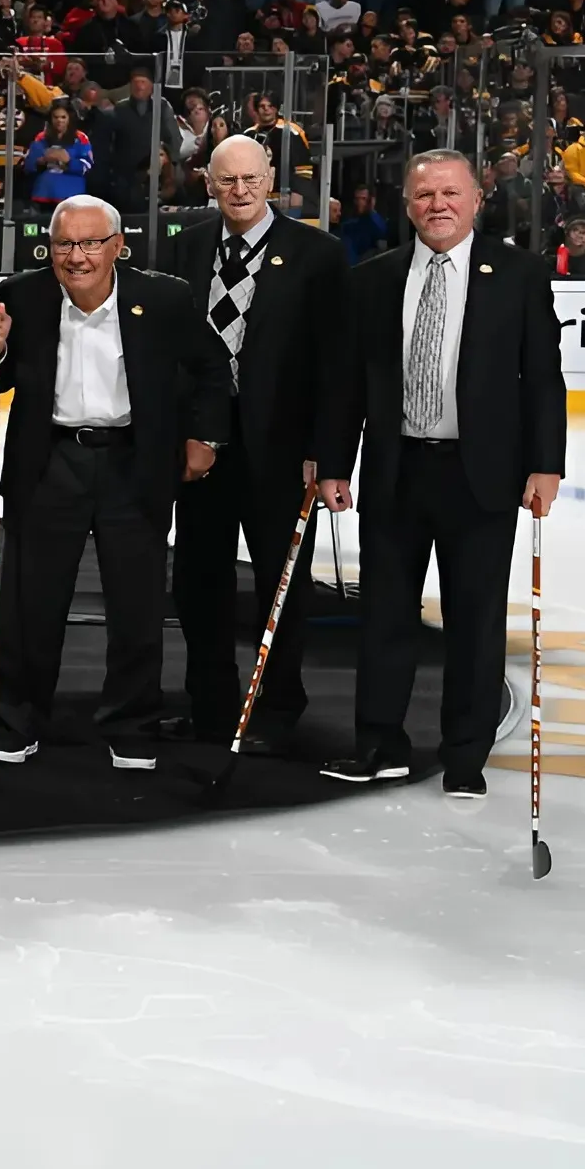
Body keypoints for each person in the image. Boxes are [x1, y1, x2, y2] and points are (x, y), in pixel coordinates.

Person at [316, 149, 567, 795]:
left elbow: (542, 378)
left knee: (474, 619)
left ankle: (464, 754)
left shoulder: (519, 275)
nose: (439, 206)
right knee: (385, 615)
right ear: (407, 203)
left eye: (451, 194)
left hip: (481, 475)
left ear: (476, 200)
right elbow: (348, 383)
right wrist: (337, 463)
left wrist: (546, 464)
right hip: (398, 470)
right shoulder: (373, 279)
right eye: (426, 195)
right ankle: (379, 742)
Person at [0, 194, 231, 771]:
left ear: (118, 246)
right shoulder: (24, 294)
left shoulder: (162, 298)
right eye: (65, 244)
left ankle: (132, 723)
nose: (77, 256)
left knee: (136, 605)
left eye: (91, 243)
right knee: (30, 605)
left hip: (133, 463)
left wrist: (204, 438)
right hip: (51, 463)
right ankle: (18, 718)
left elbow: (212, 368)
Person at [158, 137, 352, 755]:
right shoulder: (186, 246)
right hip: (204, 448)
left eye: (250, 178)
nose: (239, 190)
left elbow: (336, 366)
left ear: (271, 179)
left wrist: (328, 453)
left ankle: (276, 708)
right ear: (208, 184)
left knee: (282, 585)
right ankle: (211, 706)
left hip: (284, 453)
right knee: (199, 580)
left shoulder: (317, 254)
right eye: (226, 180)